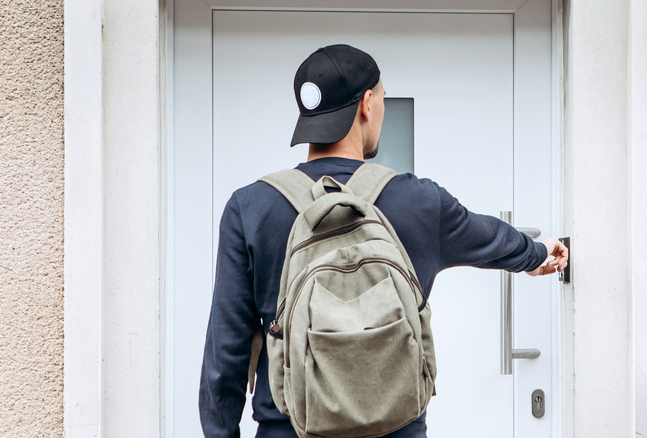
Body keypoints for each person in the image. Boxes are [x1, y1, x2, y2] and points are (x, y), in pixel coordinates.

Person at [199, 44, 568, 438]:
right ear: (367, 104)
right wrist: (539, 254)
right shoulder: (420, 201)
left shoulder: (250, 207)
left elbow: (226, 355)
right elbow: (491, 238)